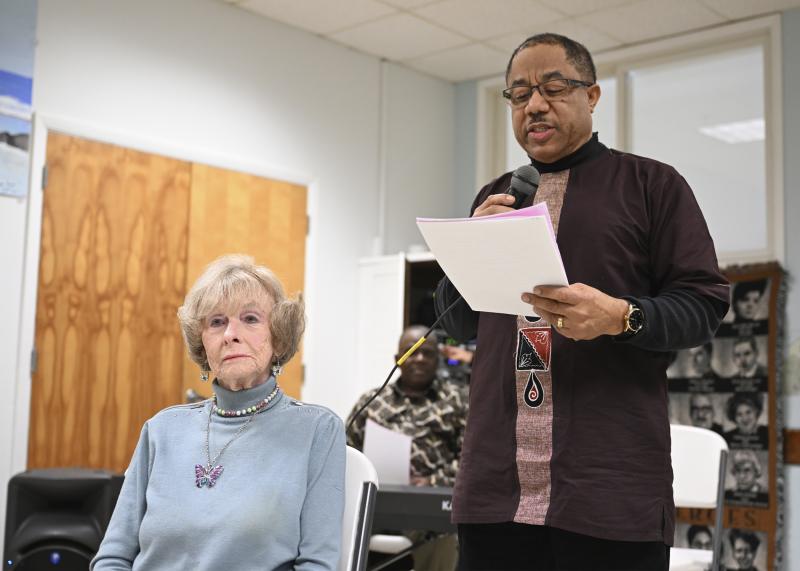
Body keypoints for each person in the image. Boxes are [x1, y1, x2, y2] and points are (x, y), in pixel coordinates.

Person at [434, 33, 729, 571]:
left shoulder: (652, 186)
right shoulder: (498, 195)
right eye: (519, 95)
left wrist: (622, 316)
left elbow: (703, 305)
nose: (535, 105)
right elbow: (456, 324)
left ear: (592, 96)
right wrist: (469, 249)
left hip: (607, 489)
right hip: (495, 486)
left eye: (552, 88)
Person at [92, 255, 345, 570]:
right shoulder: (161, 430)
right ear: (203, 344)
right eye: (217, 322)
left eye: (250, 319)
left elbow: (317, 564)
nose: (230, 334)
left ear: (278, 337)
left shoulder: (317, 431)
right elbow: (113, 557)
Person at [346, 325, 468, 571]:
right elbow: (347, 454)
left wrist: (432, 481)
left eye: (428, 353)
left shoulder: (457, 400)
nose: (420, 358)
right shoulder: (373, 401)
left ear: (439, 359)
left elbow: (471, 459)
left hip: (434, 514)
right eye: (411, 352)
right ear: (397, 359)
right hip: (375, 505)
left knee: (445, 537)